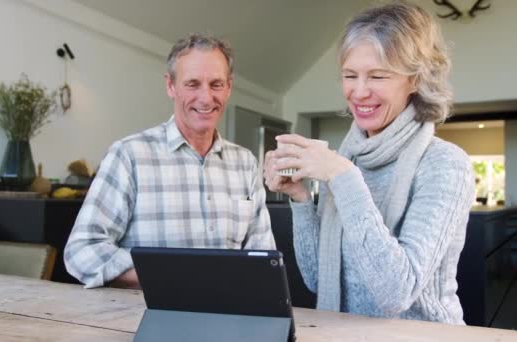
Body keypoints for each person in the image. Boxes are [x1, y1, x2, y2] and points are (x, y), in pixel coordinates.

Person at [264, 2, 474, 324]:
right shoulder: (347, 159)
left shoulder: (445, 164)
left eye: (378, 75)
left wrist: (344, 178)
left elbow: (396, 294)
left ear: (415, 79)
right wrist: (301, 199)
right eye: (350, 75)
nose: (359, 92)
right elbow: (318, 279)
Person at [65, 33, 276, 289]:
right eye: (193, 84)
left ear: (229, 88)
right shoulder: (129, 155)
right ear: (171, 86)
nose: (206, 97)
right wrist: (170, 276)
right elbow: (82, 251)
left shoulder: (245, 163)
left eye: (216, 84)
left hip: (227, 319)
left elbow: (263, 261)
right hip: (145, 321)